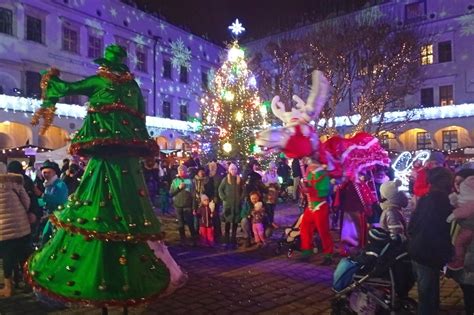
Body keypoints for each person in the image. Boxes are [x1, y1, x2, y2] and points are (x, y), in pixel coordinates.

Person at [408, 167, 454, 315]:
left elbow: (412, 224)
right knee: (427, 293)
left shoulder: (426, 198)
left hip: (418, 249)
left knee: (428, 290)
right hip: (427, 251)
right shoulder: (442, 200)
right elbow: (439, 229)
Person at [0, 162, 31, 297]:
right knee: (25, 256)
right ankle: (29, 283)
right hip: (22, 226)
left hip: (3, 229)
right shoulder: (15, 183)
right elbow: (27, 202)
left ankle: (9, 287)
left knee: (8, 257)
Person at [299, 160, 334, 264]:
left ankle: (328, 255)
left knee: (323, 231)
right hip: (310, 206)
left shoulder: (323, 174)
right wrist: (304, 188)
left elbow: (326, 191)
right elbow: (307, 187)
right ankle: (306, 251)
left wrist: (309, 190)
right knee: (304, 228)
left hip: (320, 206)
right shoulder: (309, 172)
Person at [34, 161, 68, 246]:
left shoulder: (60, 184)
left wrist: (41, 195)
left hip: (58, 217)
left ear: (54, 172)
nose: (45, 174)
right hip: (50, 216)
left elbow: (60, 200)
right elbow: (46, 201)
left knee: (52, 239)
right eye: (44, 172)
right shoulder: (49, 184)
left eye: (48, 172)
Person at [446, 176, 474, 270]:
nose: (457, 184)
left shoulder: (470, 202)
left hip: (469, 265)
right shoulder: (466, 199)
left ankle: (459, 261)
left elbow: (464, 211)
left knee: (460, 243)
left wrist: (454, 215)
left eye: (459, 181)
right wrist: (454, 202)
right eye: (455, 181)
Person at [170, 165, 197, 246]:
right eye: (179, 171)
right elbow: (171, 193)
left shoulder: (189, 181)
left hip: (187, 205)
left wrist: (194, 207)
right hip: (178, 205)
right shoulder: (175, 181)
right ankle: (183, 240)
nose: (181, 172)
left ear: (185, 171)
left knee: (190, 223)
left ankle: (194, 239)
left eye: (183, 170)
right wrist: (178, 188)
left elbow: (193, 195)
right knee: (181, 224)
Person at [219, 163, 242, 249]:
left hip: (236, 205)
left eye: (235, 169)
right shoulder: (226, 179)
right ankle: (226, 240)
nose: (233, 171)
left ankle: (233, 239)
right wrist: (224, 198)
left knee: (235, 223)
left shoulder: (239, 179)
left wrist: (241, 198)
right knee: (227, 223)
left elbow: (243, 190)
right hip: (228, 205)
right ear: (229, 170)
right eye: (232, 169)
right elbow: (220, 189)